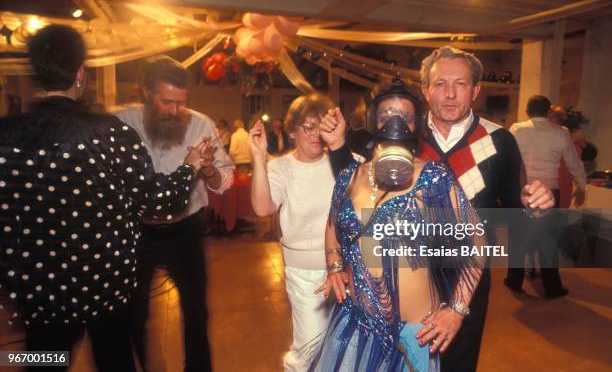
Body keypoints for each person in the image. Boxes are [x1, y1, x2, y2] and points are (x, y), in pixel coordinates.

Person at [319, 46, 555, 372]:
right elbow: (353, 197)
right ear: (425, 90)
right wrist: (337, 147)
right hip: (395, 276)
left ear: (475, 90)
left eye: (460, 84)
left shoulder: (499, 141)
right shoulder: (400, 125)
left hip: (464, 278)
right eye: (440, 84)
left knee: (457, 365)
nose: (449, 93)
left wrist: (535, 208)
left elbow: (513, 215)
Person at [0, 25, 207, 372]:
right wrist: (189, 167)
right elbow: (156, 202)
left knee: (41, 360)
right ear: (81, 74)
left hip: (38, 293)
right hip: (104, 287)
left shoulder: (6, 135)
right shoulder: (107, 132)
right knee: (114, 359)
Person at [309, 81, 484, 372]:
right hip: (356, 325)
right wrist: (335, 266)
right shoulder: (350, 177)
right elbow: (333, 228)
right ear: (373, 120)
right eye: (387, 113)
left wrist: (457, 309)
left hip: (412, 336)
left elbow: (477, 243)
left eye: (405, 116)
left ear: (417, 126)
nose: (395, 122)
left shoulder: (434, 178)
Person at [115, 56, 234, 372]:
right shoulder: (122, 124)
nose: (175, 111)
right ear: (145, 93)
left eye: (181, 103)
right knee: (134, 313)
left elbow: (224, 182)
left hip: (186, 229)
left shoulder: (201, 124)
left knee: (197, 311)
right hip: (137, 232)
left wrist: (208, 170)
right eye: (167, 102)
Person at [249, 93, 336, 372]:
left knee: (342, 346)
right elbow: (263, 208)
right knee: (310, 346)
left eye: (321, 126)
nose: (315, 135)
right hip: (305, 274)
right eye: (308, 127)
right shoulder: (281, 167)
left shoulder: (344, 160)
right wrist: (259, 159)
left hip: (347, 270)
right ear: (292, 131)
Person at [504, 95, 586, 298]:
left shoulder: (517, 129)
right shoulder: (561, 133)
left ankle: (514, 281)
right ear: (549, 112)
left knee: (518, 238)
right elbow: (574, 162)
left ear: (527, 112)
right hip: (550, 193)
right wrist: (582, 185)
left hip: (524, 192)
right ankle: (552, 287)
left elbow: (506, 160)